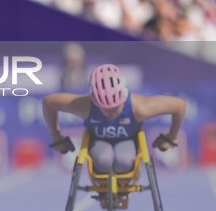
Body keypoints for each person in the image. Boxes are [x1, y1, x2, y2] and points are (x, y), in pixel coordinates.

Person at [43, 63, 185, 175]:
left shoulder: (140, 107)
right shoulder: (83, 105)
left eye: (116, 107)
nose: (112, 113)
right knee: (103, 160)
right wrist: (55, 135)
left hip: (128, 140)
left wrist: (172, 136)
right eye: (105, 109)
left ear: (123, 97)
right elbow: (48, 103)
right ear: (94, 100)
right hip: (98, 141)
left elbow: (179, 105)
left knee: (124, 161)